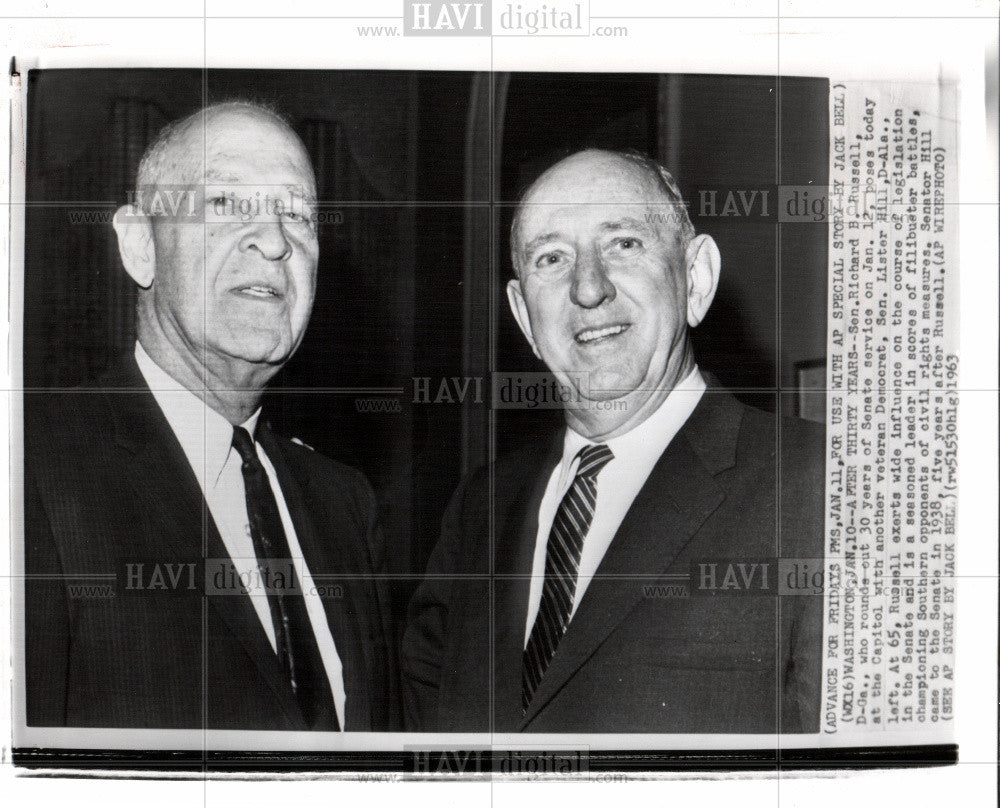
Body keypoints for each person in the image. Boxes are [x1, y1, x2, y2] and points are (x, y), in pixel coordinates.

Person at [402, 149, 824, 733]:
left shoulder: (821, 487)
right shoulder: (481, 508)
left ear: (695, 279)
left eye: (623, 243)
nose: (588, 288)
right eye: (551, 258)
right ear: (524, 318)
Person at [24, 102, 397, 731]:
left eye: (299, 214)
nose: (275, 240)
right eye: (225, 204)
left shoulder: (344, 504)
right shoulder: (31, 466)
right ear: (141, 246)